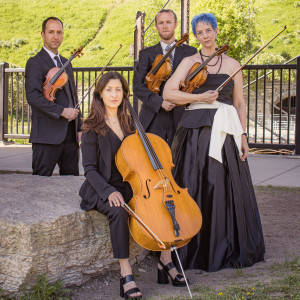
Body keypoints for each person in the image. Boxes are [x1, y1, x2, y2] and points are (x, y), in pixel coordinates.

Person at [163, 13, 265, 271]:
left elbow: (239, 103)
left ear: (216, 31)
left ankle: (224, 246)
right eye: (200, 32)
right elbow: (169, 93)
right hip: (194, 131)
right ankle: (190, 247)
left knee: (221, 187)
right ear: (196, 36)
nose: (205, 36)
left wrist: (243, 135)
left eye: (208, 30)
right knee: (192, 185)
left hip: (225, 131)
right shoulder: (189, 61)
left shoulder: (233, 64)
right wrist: (198, 98)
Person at [79, 71, 187, 300]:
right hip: (103, 186)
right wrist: (108, 191)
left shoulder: (130, 123)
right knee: (118, 211)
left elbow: (140, 156)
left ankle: (165, 261)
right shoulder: (91, 126)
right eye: (109, 89)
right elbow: (89, 169)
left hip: (131, 183)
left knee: (159, 201)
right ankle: (126, 274)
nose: (114, 94)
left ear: (125, 94)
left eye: (118, 90)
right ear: (100, 93)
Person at [25, 17, 81, 176]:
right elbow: (33, 96)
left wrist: (79, 126)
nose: (55, 36)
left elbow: (73, 96)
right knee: (40, 185)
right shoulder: (35, 62)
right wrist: (61, 111)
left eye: (59, 32)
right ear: (43, 34)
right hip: (46, 137)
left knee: (70, 184)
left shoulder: (66, 62)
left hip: (70, 137)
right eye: (51, 32)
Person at [133, 9, 197, 146]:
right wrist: (160, 102)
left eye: (168, 22)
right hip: (153, 115)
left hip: (181, 114)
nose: (164, 26)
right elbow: (137, 87)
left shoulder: (191, 52)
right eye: (161, 23)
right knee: (152, 160)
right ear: (156, 26)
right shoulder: (146, 54)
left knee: (180, 161)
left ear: (175, 24)